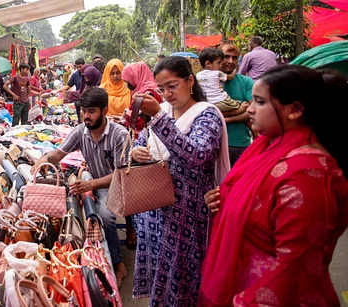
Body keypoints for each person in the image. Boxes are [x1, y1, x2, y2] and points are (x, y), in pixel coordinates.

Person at [200, 66, 348, 306]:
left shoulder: (308, 173)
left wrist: (244, 301)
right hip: (244, 285)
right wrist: (224, 202)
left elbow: (296, 264)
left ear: (294, 110)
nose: (249, 108)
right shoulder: (267, 148)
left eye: (259, 102)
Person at [129, 56, 229, 306]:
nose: (167, 94)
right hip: (154, 212)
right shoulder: (162, 113)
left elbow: (197, 155)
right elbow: (143, 143)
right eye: (161, 89)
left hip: (187, 215)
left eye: (172, 85)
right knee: (161, 276)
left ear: (190, 81)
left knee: (184, 278)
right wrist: (136, 152)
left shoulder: (207, 116)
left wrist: (159, 119)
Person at [33, 87, 129, 285]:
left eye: (91, 111)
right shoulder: (80, 132)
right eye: (83, 111)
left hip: (120, 184)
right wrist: (42, 160)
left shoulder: (119, 134)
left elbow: (121, 174)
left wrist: (90, 184)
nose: (86, 116)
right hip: (97, 183)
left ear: (104, 110)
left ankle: (119, 265)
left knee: (105, 216)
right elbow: (57, 155)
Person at [120, 61, 164, 250]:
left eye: (128, 80)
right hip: (146, 143)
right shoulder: (149, 89)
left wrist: (126, 115)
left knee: (139, 189)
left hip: (146, 146)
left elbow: (139, 119)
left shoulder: (147, 93)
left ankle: (139, 232)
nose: (128, 85)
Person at [220, 43, 255, 166]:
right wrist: (239, 111)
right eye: (226, 57)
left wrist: (226, 119)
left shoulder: (246, 82)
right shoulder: (206, 83)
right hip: (216, 146)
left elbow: (254, 112)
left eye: (235, 58)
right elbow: (208, 113)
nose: (230, 61)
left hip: (241, 145)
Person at [197, 48, 246, 114]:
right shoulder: (217, 73)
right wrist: (235, 70)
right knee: (242, 106)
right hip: (221, 100)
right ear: (208, 63)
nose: (221, 65)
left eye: (235, 58)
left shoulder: (198, 75)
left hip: (208, 102)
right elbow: (230, 77)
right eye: (219, 63)